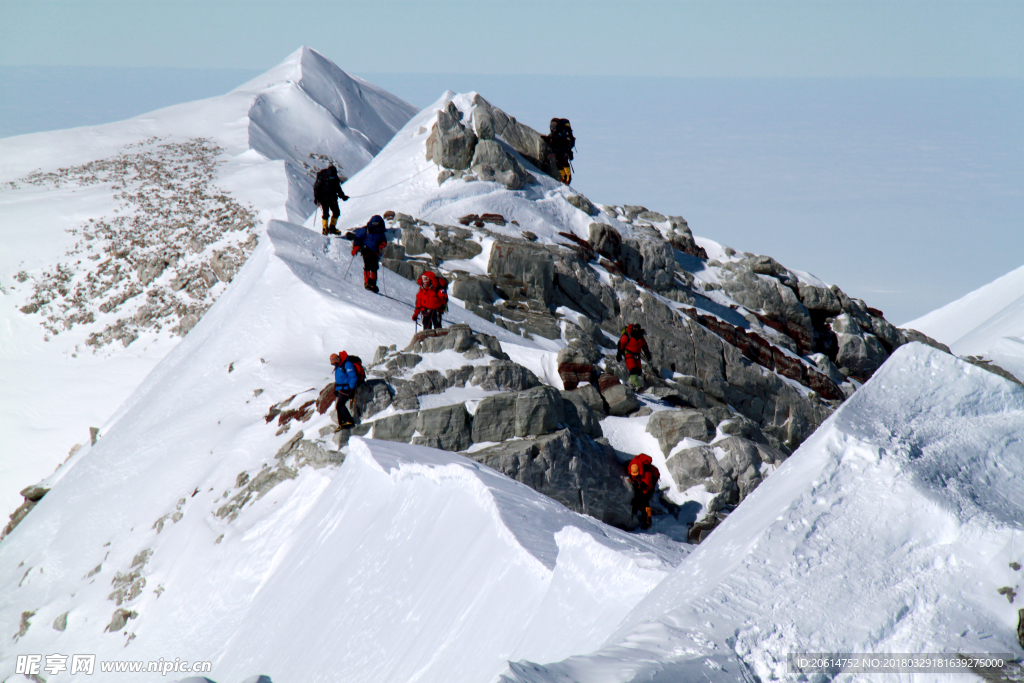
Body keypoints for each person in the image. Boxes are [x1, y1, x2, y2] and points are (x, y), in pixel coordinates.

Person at [350, 215, 388, 292]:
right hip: (366, 250)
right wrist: (356, 247)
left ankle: (372, 283)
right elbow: (357, 238)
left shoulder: (380, 232)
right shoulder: (366, 229)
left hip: (375, 252)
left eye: (377, 223)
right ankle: (367, 282)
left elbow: (384, 241)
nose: (375, 224)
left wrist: (382, 244)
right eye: (374, 223)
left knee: (374, 267)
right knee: (368, 266)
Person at [330, 351, 363, 431]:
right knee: (339, 406)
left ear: (337, 359)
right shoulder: (339, 365)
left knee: (340, 405)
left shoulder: (347, 364)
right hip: (341, 389)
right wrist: (336, 389)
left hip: (347, 388)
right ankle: (342, 423)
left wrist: (351, 389)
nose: (334, 365)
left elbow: (353, 377)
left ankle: (348, 421)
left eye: (334, 363)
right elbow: (339, 379)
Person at [313, 165, 349, 236]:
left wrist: (342, 196)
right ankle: (328, 229)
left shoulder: (329, 177)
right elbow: (338, 189)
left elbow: (337, 188)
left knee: (332, 213)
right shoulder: (329, 178)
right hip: (327, 198)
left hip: (328, 198)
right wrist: (343, 196)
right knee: (331, 213)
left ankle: (328, 229)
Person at [627, 453, 659, 530]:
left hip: (649, 485)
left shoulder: (646, 474)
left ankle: (647, 521)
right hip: (642, 482)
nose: (634, 476)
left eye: (636, 475)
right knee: (638, 498)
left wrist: (640, 492)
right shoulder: (632, 464)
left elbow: (646, 488)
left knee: (645, 502)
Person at [617, 323, 652, 390]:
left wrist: (647, 353)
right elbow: (621, 343)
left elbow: (644, 345)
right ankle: (635, 385)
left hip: (637, 355)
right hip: (628, 354)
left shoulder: (640, 337)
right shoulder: (628, 335)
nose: (637, 330)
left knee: (638, 372)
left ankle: (630, 384)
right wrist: (619, 353)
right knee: (633, 369)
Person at [543, 118, 575, 185]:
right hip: (558, 150)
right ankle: (563, 177)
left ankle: (567, 177)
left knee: (563, 163)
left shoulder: (562, 132)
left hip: (563, 150)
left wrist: (567, 149)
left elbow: (565, 141)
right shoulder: (556, 133)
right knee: (559, 164)